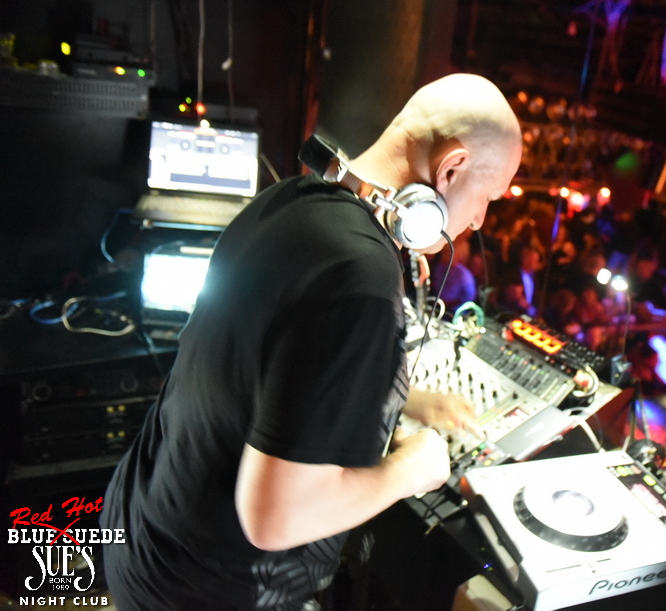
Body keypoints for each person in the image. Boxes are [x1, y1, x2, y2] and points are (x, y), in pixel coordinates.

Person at [100, 74, 523, 610]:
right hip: (205, 590)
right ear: (452, 168)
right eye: (487, 197)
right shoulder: (360, 273)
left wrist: (400, 399)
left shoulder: (291, 199)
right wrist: (409, 470)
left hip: (144, 533)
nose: (479, 219)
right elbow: (273, 518)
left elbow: (267, 367)